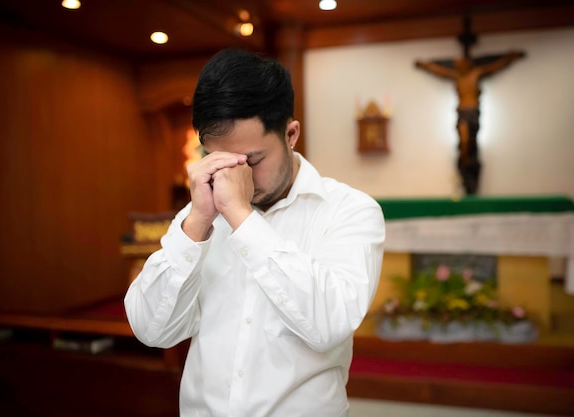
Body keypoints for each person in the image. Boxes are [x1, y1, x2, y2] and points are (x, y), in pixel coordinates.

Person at [124, 48, 385, 417]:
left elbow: (329, 325)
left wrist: (242, 218)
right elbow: (152, 330)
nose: (236, 177)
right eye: (220, 161)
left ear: (291, 134)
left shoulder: (350, 211)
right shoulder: (196, 217)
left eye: (252, 161)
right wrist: (198, 222)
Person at [415, 51, 525, 194]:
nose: (458, 66)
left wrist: (509, 57)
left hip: (473, 112)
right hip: (462, 112)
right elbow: (439, 70)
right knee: (464, 141)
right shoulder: (456, 77)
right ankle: (464, 160)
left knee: (470, 143)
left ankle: (469, 169)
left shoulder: (476, 74)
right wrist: (424, 65)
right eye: (457, 65)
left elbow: (494, 66)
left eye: (461, 64)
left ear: (467, 64)